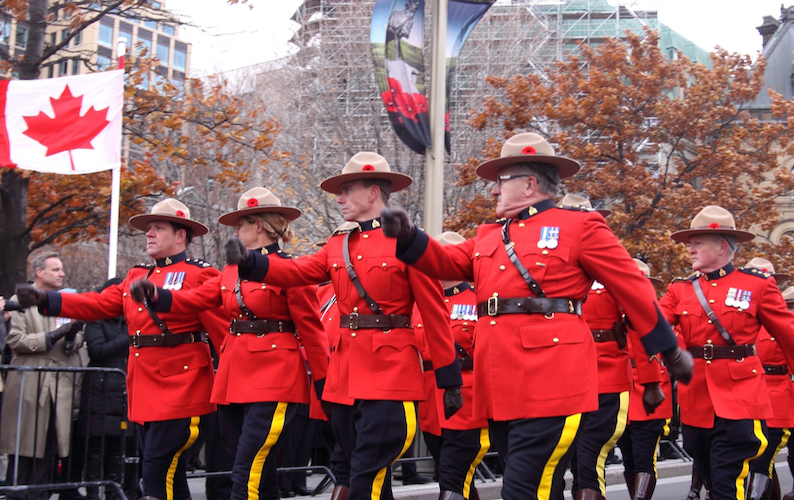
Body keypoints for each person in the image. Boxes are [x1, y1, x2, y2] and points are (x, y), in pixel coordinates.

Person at [379, 132, 693, 500]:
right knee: (536, 487)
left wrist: (669, 352)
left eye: (501, 181)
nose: (494, 191)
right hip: (499, 385)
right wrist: (408, 236)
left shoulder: (580, 226)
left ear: (529, 184)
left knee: (523, 490)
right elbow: (445, 262)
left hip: (551, 381)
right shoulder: (488, 236)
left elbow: (632, 289)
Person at [225, 152, 463, 500]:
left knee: (365, 477)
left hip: (390, 374)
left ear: (372, 193)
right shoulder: (340, 243)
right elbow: (297, 272)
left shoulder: (409, 241)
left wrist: (448, 379)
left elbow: (434, 313)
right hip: (346, 375)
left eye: (347, 189)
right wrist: (252, 264)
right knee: (359, 475)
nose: (339, 198)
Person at [15, 199, 228, 500]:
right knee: (168, 473)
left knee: (156, 468)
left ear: (180, 236)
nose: (149, 234)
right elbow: (97, 303)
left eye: (158, 228)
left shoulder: (200, 275)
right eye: (148, 228)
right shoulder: (135, 276)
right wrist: (44, 301)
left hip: (183, 384)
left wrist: (231, 385)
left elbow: (221, 332)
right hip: (144, 385)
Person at [128, 187, 330, 500]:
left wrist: (323, 383)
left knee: (246, 468)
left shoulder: (291, 269)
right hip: (235, 379)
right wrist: (159, 296)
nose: (235, 232)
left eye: (239, 225)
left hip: (276, 376)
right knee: (254, 468)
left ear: (258, 226)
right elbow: (197, 299)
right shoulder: (231, 271)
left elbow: (312, 330)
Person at [658, 206, 794, 500]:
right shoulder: (679, 289)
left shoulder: (756, 285)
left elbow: (788, 335)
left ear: (721, 246)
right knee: (709, 475)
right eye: (689, 243)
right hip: (696, 401)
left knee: (726, 482)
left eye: (697, 242)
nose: (690, 249)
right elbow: (652, 323)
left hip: (740, 398)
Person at [558, 194, 636, 500]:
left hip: (606, 374)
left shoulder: (613, 264)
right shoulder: (549, 268)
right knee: (559, 459)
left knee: (589, 458)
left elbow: (640, 320)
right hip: (562, 374)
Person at [0, 252, 84, 500]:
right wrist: (51, 337)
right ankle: (19, 493)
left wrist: (72, 337)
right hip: (30, 382)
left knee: (50, 443)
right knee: (25, 443)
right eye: (56, 269)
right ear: (39, 272)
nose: (62, 274)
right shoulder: (20, 301)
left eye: (61, 269)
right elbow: (15, 340)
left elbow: (75, 337)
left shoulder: (63, 300)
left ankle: (41, 494)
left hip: (59, 381)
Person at [413, 231, 491, 500]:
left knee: (452, 479)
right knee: (457, 482)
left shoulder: (481, 301)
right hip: (429, 405)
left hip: (468, 404)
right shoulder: (417, 302)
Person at [617, 259, 673, 500]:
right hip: (621, 389)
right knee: (628, 456)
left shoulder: (658, 313)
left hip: (650, 388)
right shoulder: (613, 311)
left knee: (644, 457)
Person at [79, 277, 135, 500]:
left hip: (123, 389)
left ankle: (114, 491)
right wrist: (127, 338)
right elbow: (98, 350)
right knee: (97, 447)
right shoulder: (97, 319)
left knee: (118, 447)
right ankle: (93, 492)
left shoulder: (129, 319)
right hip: (100, 390)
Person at [744, 259, 793, 500]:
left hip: (778, 397)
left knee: (764, 458)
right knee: (758, 459)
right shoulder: (745, 318)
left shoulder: (783, 320)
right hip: (748, 396)